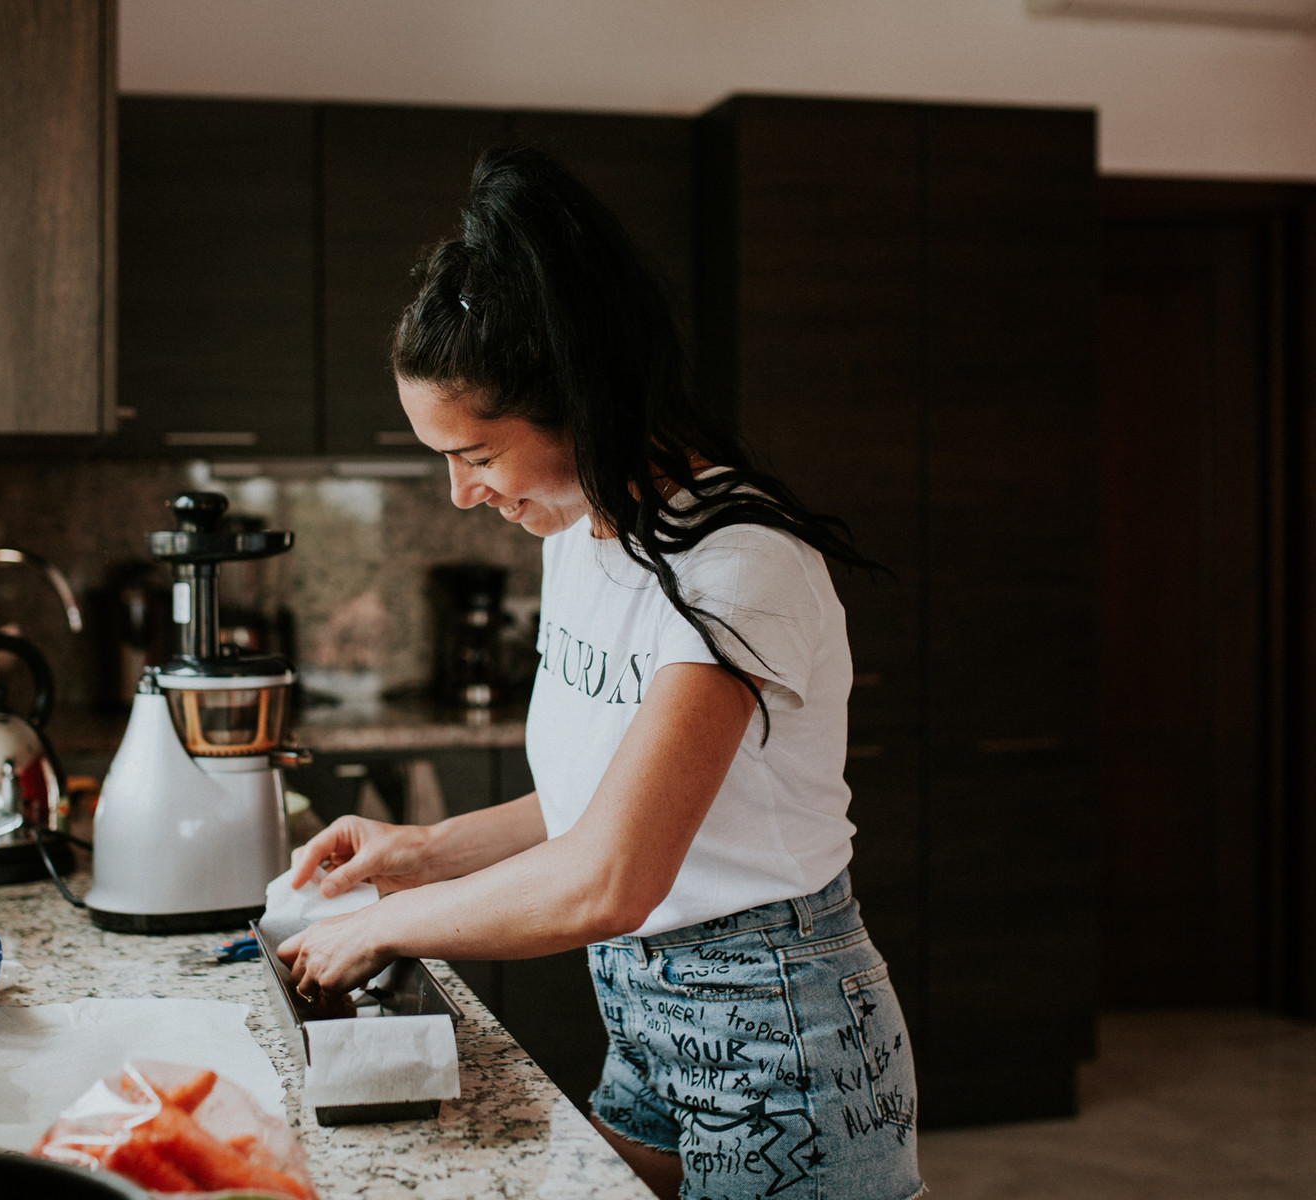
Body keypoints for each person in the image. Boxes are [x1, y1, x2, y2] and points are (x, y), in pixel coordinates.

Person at [278, 145, 923, 1200]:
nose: (460, 494)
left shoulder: (737, 568)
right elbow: (599, 797)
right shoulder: (581, 538)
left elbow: (613, 874)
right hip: (645, 1019)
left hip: (778, 1041)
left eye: (477, 456)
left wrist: (381, 923)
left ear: (576, 401)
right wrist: (424, 852)